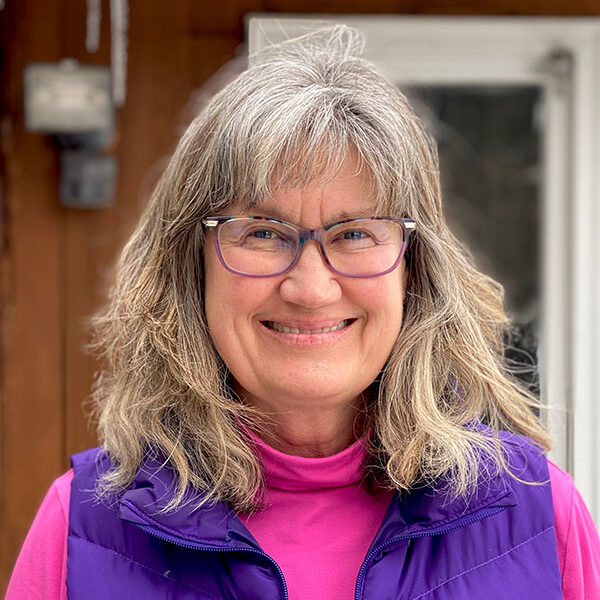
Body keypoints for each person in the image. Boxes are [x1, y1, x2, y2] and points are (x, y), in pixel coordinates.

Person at [6, 25, 600, 600]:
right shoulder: (79, 530)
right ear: (192, 267)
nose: (311, 288)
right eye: (264, 233)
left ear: (413, 269)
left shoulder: (541, 518)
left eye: (355, 234)